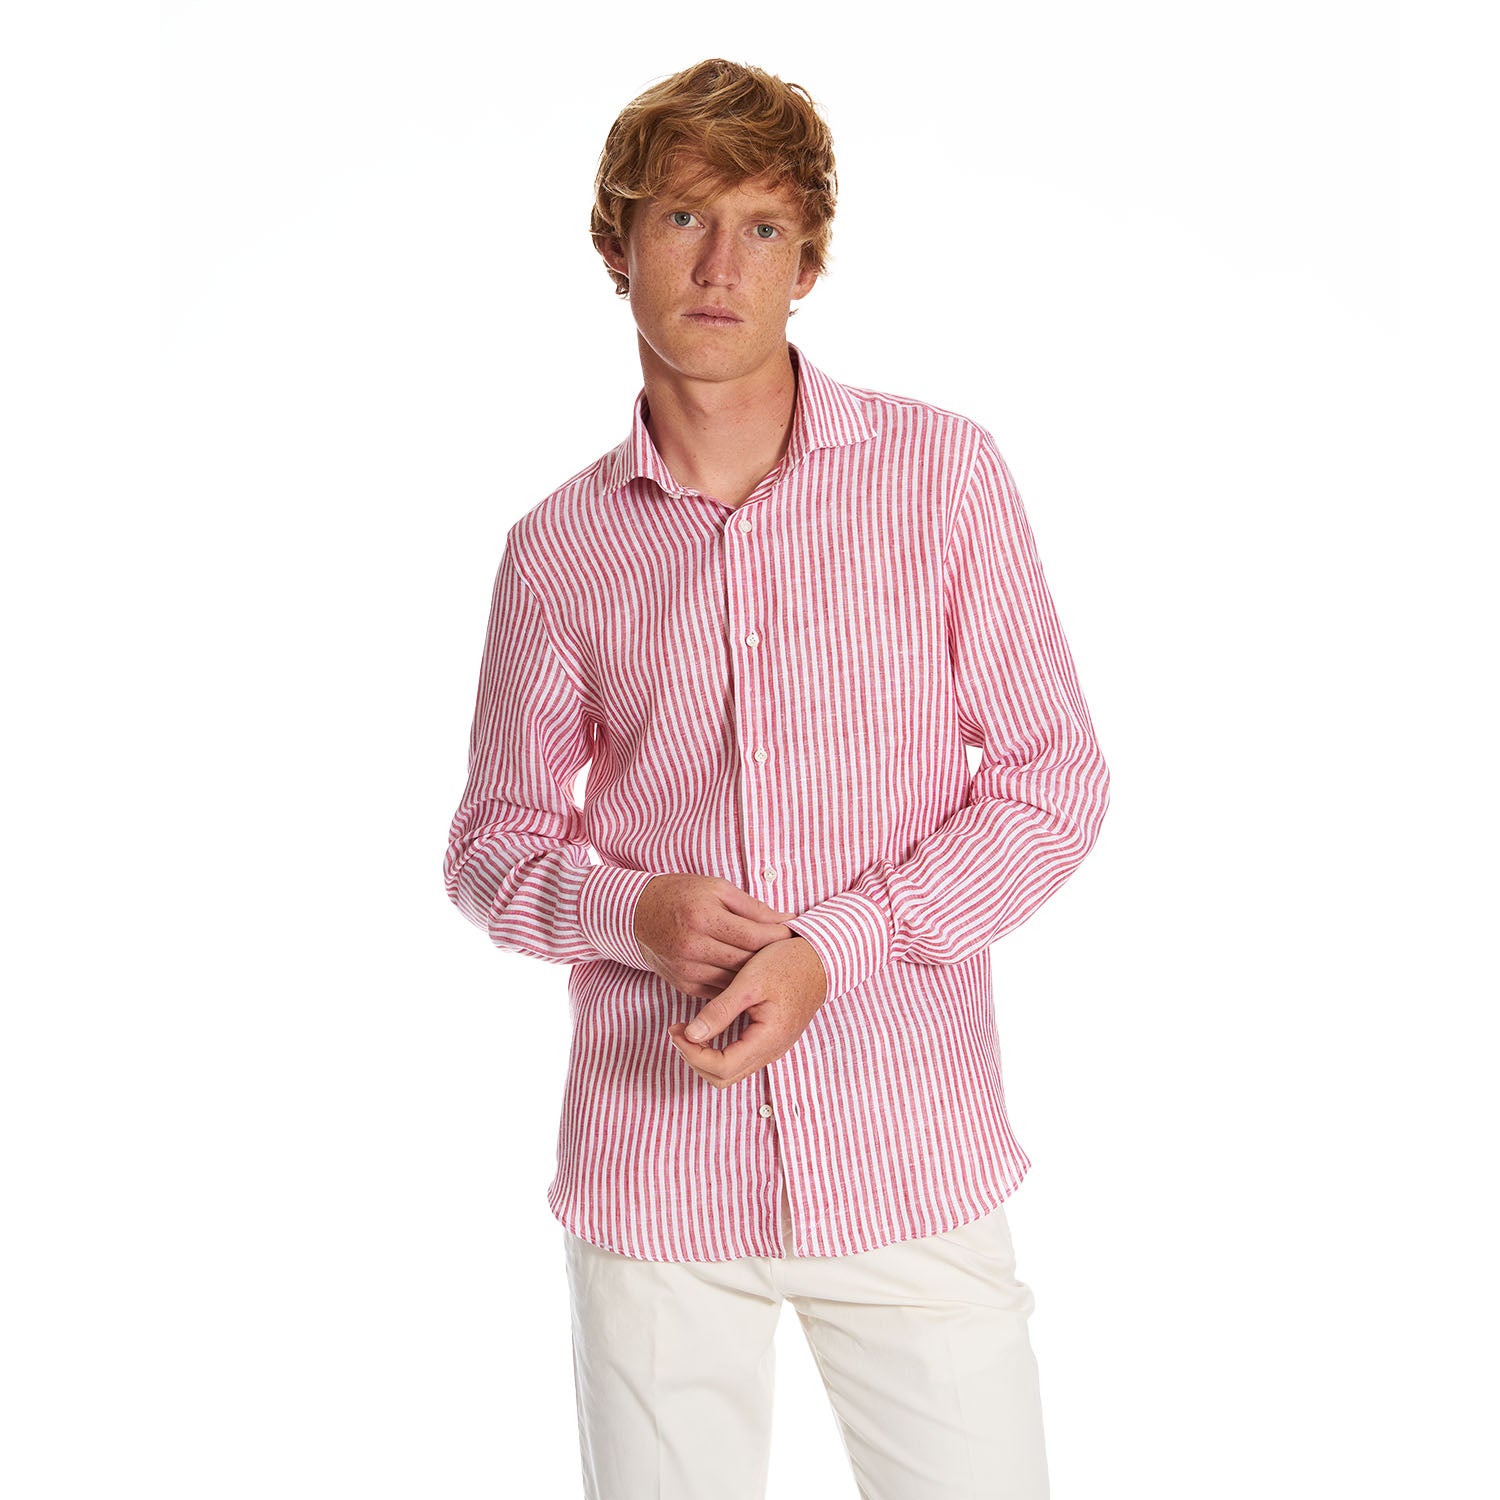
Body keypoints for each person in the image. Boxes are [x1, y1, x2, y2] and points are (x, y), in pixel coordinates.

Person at [442, 56, 1110, 1500]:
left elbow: (1054, 779)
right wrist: (635, 914)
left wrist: (838, 947)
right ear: (615, 246)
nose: (719, 266)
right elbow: (489, 847)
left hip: (905, 1147)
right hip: (656, 1170)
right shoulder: (557, 550)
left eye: (760, 228)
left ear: (808, 264)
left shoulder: (940, 477)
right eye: (683, 219)